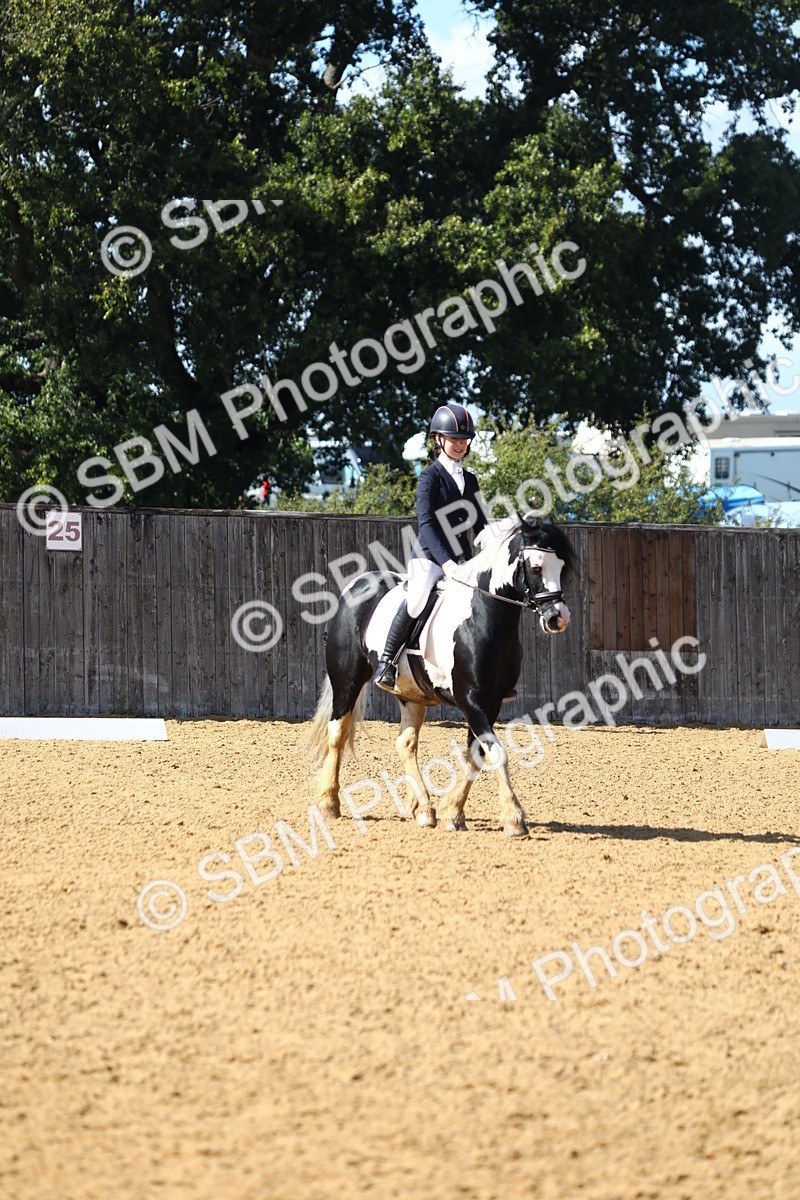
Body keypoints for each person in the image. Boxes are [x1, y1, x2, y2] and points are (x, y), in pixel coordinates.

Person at [374, 403, 487, 691]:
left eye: (464, 440)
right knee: (417, 598)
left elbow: (481, 524)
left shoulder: (470, 480)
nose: (460, 445)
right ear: (439, 439)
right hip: (429, 559)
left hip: (463, 561)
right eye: (454, 439)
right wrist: (446, 563)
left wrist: (490, 550)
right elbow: (426, 524)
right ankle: (387, 662)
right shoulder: (430, 478)